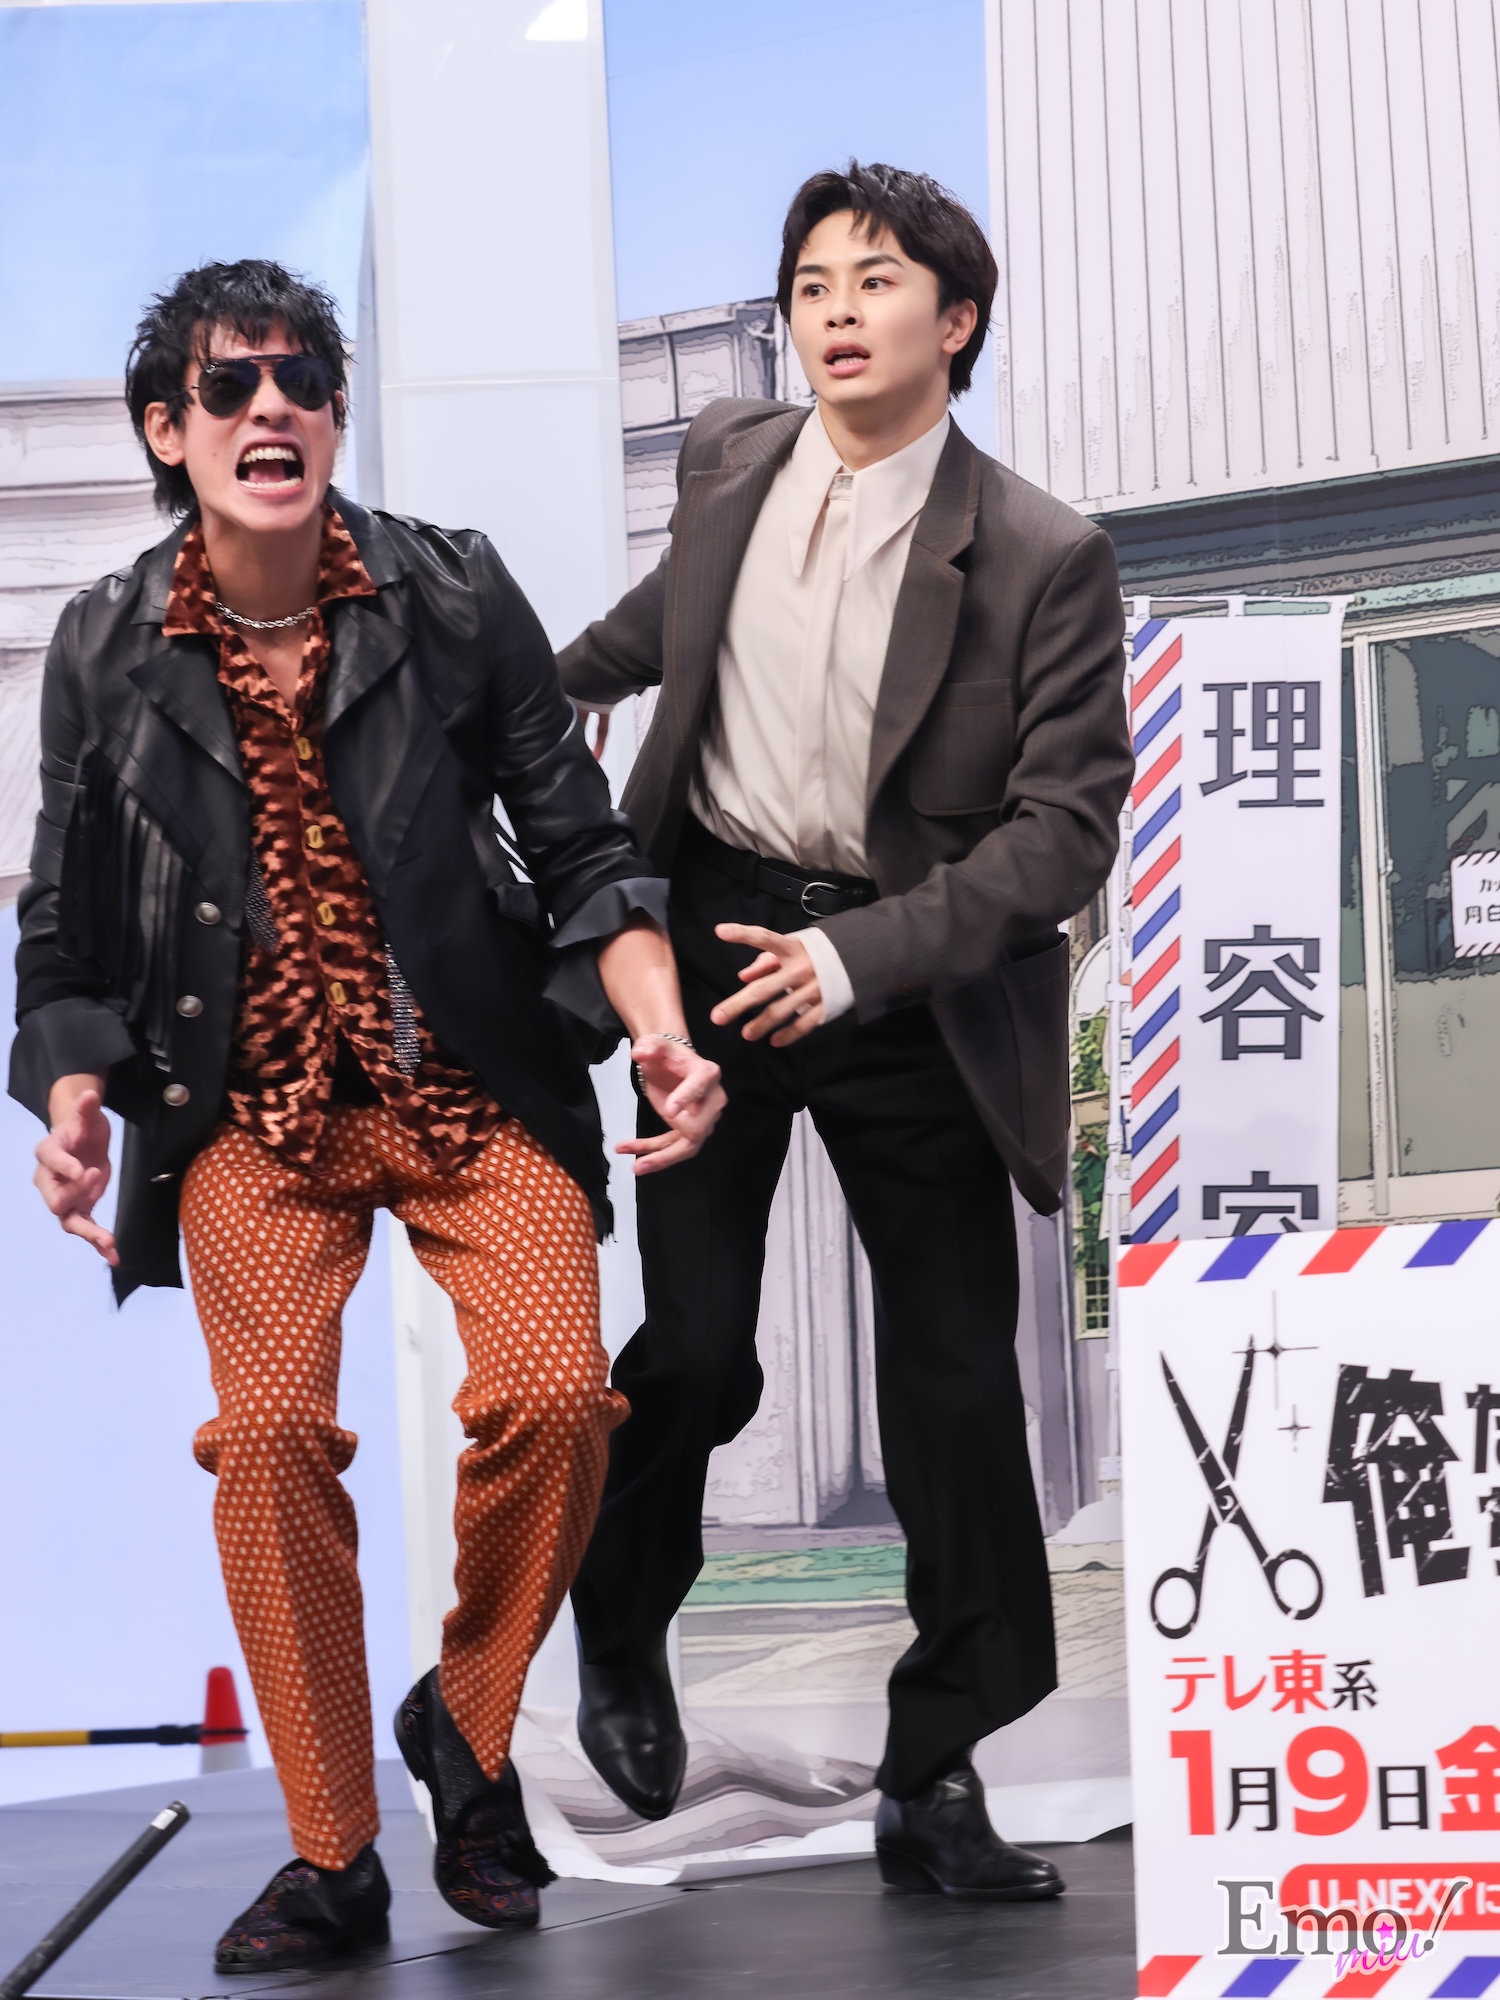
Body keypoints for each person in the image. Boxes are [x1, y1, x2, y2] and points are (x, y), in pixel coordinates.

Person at [11, 258, 724, 1974]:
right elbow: (63, 928)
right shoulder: (103, 647)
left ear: (336, 414)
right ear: (170, 431)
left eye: (303, 379)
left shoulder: (452, 594)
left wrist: (661, 1031)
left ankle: (465, 1728)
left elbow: (580, 845)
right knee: (265, 1445)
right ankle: (334, 1854)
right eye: (231, 384)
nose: (272, 406)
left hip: (469, 1086)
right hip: (251, 1117)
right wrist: (76, 1091)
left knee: (558, 1398)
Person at [560, 164, 1132, 1900]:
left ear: (955, 321)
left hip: (913, 976)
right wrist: (533, 707)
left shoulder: (1039, 553)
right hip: (714, 944)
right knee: (701, 1353)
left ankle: (936, 1768)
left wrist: (862, 956)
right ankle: (619, 1619)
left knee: (953, 1385)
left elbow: (1064, 834)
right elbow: (646, 638)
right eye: (811, 282)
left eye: (873, 280)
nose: (833, 310)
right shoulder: (731, 460)